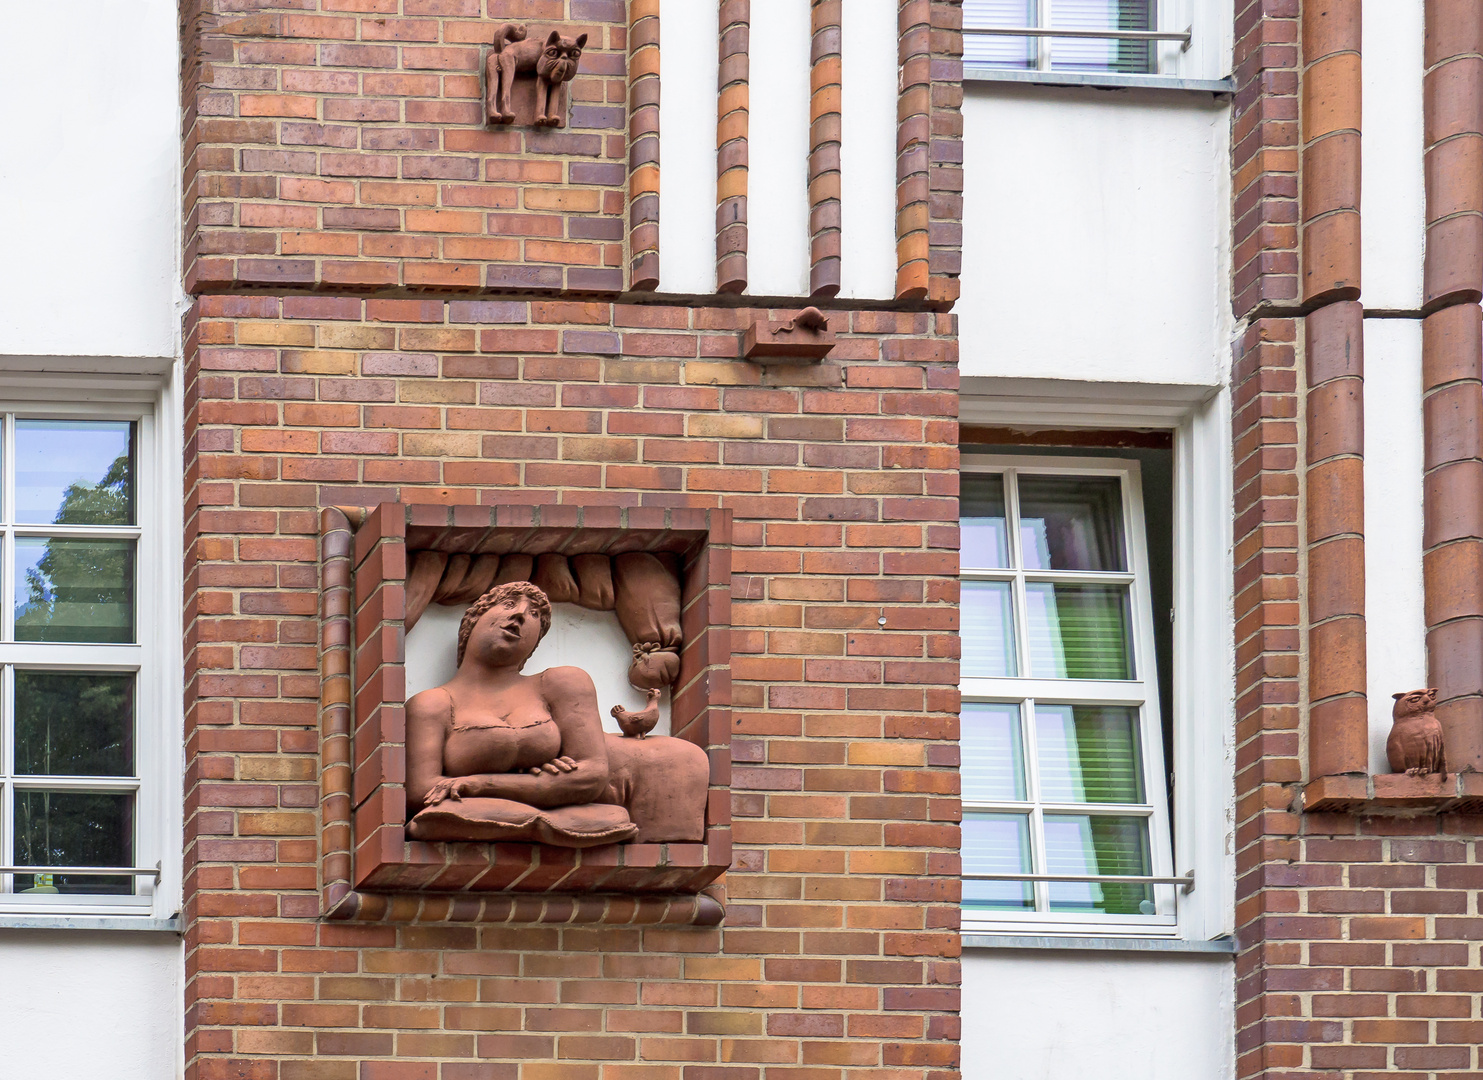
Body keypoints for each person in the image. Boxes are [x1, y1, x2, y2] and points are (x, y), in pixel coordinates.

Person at [404, 580, 708, 848]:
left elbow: (591, 776)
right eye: (508, 604)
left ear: (535, 642)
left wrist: (479, 784)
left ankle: (540, 823)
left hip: (634, 786)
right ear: (471, 621)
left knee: (611, 816)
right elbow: (422, 792)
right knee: (442, 815)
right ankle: (543, 823)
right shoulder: (433, 704)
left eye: (534, 615)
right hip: (531, 808)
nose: (521, 614)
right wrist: (536, 786)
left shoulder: (560, 682)